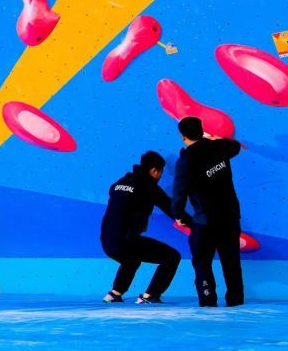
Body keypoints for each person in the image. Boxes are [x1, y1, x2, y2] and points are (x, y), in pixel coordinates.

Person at [171, 116, 244, 307]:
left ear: (183, 136)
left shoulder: (186, 159)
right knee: (231, 260)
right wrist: (213, 139)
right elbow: (235, 146)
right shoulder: (220, 147)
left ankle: (207, 297)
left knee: (202, 261)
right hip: (230, 216)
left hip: (206, 220)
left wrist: (178, 214)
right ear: (202, 130)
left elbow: (179, 192)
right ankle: (235, 299)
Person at [100, 151, 185, 304]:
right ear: (154, 170)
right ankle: (150, 295)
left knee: (131, 259)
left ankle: (114, 294)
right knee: (172, 257)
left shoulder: (119, 183)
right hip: (126, 242)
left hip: (106, 242)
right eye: (160, 172)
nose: (160, 177)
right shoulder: (149, 187)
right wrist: (196, 225)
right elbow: (173, 210)